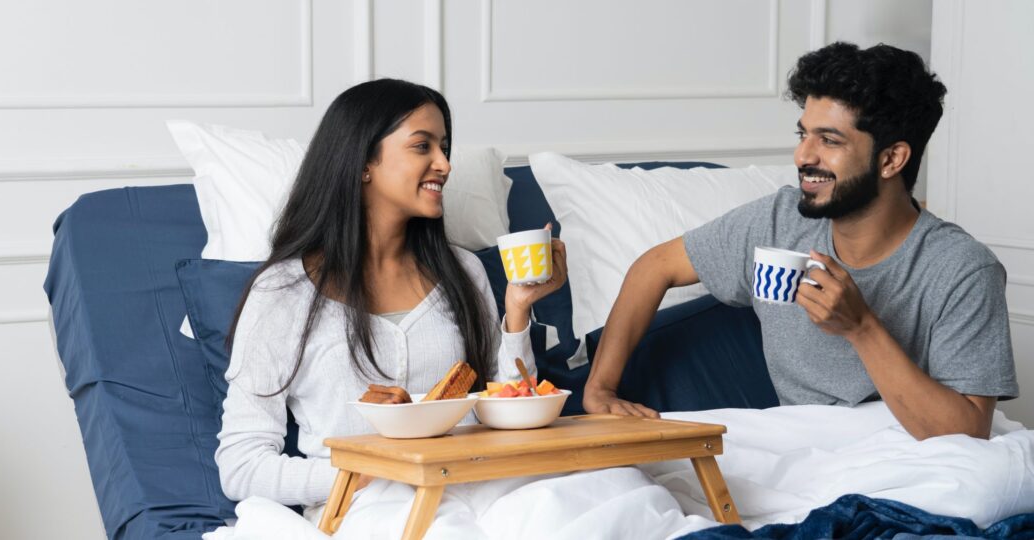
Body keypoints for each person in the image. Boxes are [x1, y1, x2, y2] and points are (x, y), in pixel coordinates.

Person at [583, 42, 1018, 440]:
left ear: (890, 159)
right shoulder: (778, 221)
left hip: (907, 450)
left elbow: (968, 433)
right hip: (801, 448)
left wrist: (862, 328)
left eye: (829, 140)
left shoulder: (961, 269)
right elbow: (654, 266)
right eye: (803, 134)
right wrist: (600, 389)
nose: (803, 156)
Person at [214, 78, 567, 509]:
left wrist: (517, 311)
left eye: (445, 148)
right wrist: (370, 468)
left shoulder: (463, 273)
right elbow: (241, 466)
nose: (444, 164)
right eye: (423, 146)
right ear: (364, 161)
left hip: (483, 488)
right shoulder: (283, 293)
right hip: (369, 509)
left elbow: (506, 417)